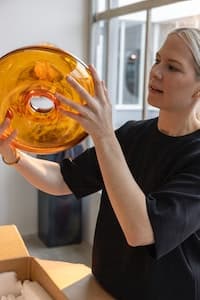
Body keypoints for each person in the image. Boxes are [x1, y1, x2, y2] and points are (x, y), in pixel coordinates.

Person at [1, 27, 200, 300]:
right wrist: (14, 155)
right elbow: (62, 179)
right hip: (103, 288)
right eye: (157, 60)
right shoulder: (132, 134)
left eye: (173, 67)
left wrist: (104, 135)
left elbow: (142, 231)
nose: (155, 72)